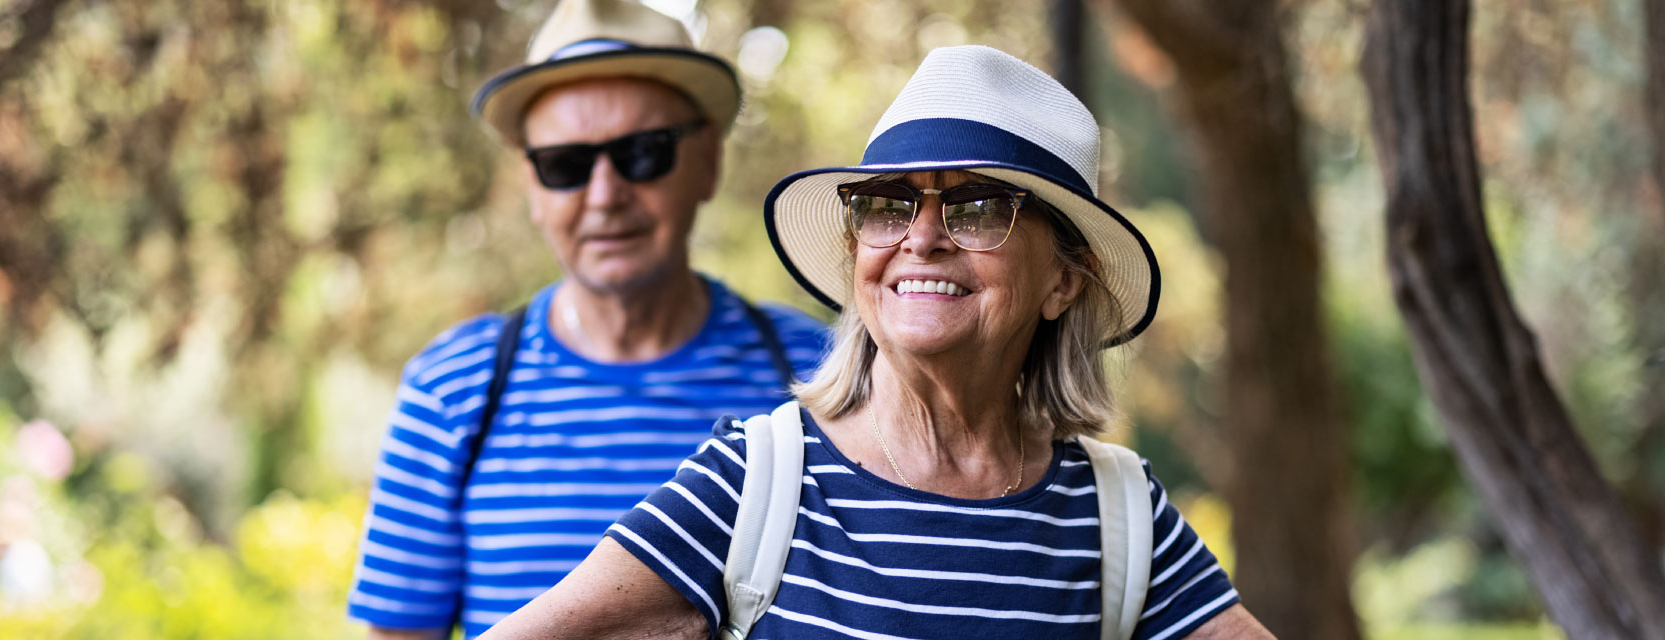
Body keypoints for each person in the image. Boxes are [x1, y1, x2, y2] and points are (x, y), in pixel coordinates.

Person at [479, 46, 1275, 639]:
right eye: (889, 205)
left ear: (1064, 281)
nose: (921, 239)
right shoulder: (758, 483)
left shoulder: (1119, 514)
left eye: (977, 209)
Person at [344, 1, 829, 638]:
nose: (604, 194)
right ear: (532, 185)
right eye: (566, 165)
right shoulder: (451, 389)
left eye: (643, 153)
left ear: (708, 160)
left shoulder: (821, 375)